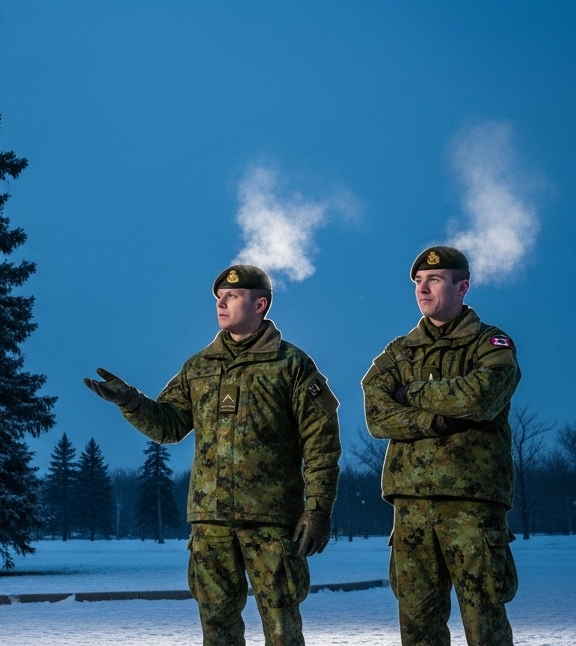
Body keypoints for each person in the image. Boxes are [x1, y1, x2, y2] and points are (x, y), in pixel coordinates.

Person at [85, 264, 341, 646]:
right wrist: (132, 402)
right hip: (211, 521)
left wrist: (318, 509)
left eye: (232, 296)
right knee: (216, 628)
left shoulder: (292, 365)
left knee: (282, 627)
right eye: (219, 296)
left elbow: (320, 441)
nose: (221, 302)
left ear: (260, 304)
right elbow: (170, 425)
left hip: (269, 519)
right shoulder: (200, 367)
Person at [361, 246, 521, 646]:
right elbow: (376, 413)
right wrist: (435, 418)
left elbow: (481, 397)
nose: (423, 289)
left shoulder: (490, 343)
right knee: (417, 623)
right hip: (411, 504)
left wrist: (409, 392)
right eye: (418, 281)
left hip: (470, 502)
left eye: (434, 279)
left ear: (462, 286)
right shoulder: (401, 350)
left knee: (484, 618)